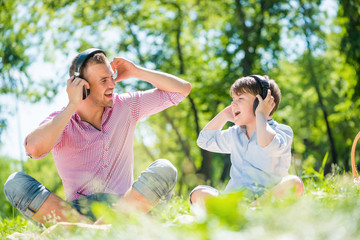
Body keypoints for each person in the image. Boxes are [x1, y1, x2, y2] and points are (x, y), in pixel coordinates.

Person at [4, 48, 191, 224]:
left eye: (112, 77)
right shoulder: (61, 121)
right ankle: (96, 229)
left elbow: (182, 90)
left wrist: (136, 71)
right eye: (104, 80)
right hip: (77, 213)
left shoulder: (126, 106)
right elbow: (34, 149)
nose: (112, 84)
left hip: (125, 206)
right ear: (82, 86)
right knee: (15, 183)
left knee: (165, 168)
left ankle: (91, 231)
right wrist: (72, 105)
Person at [189, 75, 304, 207]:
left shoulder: (282, 132)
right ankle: (238, 211)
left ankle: (254, 209)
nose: (233, 103)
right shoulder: (235, 134)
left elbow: (265, 143)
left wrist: (261, 114)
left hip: (268, 200)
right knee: (198, 193)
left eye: (240, 98)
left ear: (260, 103)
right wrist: (224, 115)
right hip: (234, 201)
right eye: (233, 99)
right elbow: (204, 141)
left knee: (294, 183)